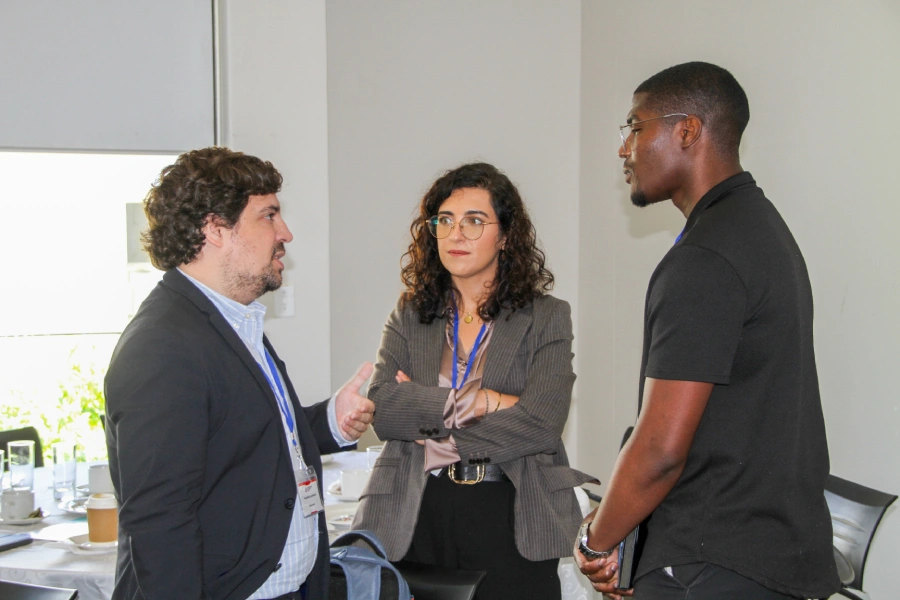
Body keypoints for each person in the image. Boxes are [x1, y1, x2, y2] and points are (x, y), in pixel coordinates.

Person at [573, 62, 840, 599]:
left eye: (635, 127)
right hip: (763, 557)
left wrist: (597, 541)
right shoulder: (759, 229)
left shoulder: (706, 257)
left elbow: (660, 450)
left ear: (687, 131)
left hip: (709, 562)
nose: (624, 149)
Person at [104, 147, 376, 600]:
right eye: (268, 215)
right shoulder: (162, 345)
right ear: (215, 229)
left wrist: (331, 420)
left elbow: (248, 441)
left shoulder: (232, 320)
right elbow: (158, 521)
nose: (285, 232)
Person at [351, 162, 597, 600]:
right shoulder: (410, 313)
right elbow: (385, 409)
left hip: (512, 508)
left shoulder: (546, 316)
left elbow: (542, 423)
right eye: (444, 221)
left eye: (474, 221)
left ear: (505, 236)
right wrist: (484, 401)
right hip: (415, 508)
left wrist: (430, 422)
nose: (456, 234)